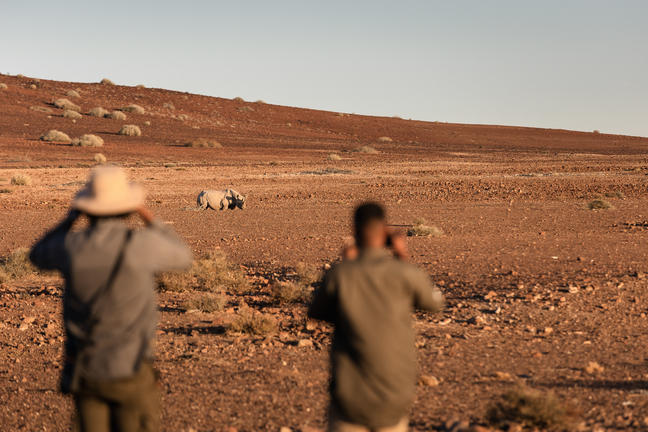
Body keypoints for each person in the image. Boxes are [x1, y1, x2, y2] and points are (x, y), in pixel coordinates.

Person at [30, 166, 193, 432]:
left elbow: (37, 254)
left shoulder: (72, 247)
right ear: (128, 207)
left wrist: (69, 219)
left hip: (87, 371)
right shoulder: (140, 246)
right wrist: (147, 216)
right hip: (132, 368)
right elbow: (183, 256)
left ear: (87, 209)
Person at [308, 202, 445, 432]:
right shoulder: (405, 274)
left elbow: (316, 311)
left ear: (354, 231)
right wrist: (402, 255)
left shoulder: (340, 275)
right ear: (385, 232)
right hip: (395, 401)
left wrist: (347, 265)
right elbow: (435, 303)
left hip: (349, 401)